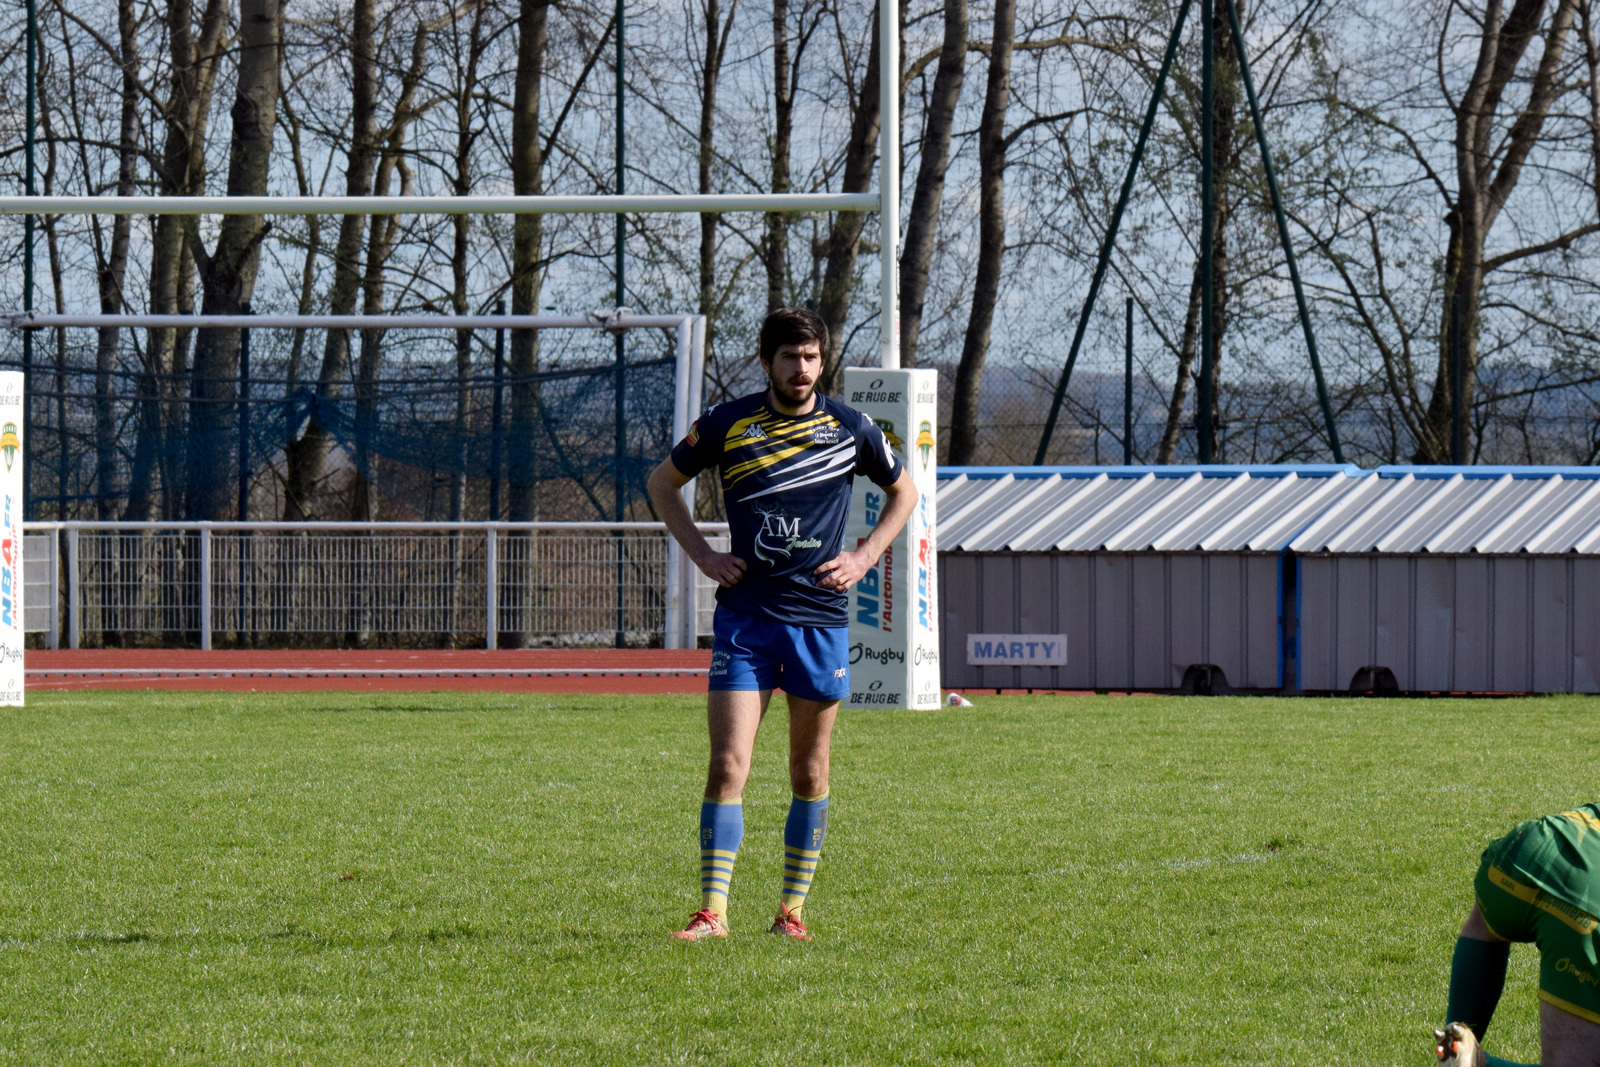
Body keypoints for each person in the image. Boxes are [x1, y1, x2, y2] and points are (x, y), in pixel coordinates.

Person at [646, 306, 917, 942]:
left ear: (823, 362)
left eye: (812, 357)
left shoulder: (850, 428)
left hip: (819, 622)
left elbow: (905, 493)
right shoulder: (727, 423)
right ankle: (712, 913)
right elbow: (662, 483)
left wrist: (864, 557)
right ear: (767, 360)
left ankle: (790, 912)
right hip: (746, 620)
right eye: (791, 356)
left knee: (809, 772)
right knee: (727, 765)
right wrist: (705, 556)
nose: (802, 368)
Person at [1436, 803, 1600, 1067]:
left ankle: (1456, 1042)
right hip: (1584, 899)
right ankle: (1477, 1062)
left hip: (1525, 849)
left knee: (1484, 926)